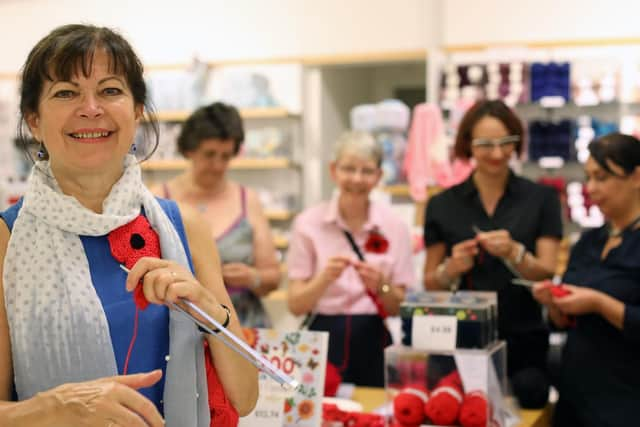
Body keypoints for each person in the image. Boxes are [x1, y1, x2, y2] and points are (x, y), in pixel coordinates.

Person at [0, 24, 258, 427]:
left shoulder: (184, 228)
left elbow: (245, 396)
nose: (91, 108)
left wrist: (206, 306)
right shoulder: (6, 240)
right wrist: (55, 408)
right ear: (34, 120)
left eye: (110, 90)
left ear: (138, 111)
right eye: (66, 92)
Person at [423, 100, 562, 408]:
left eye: (507, 143)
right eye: (486, 144)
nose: (498, 154)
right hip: (459, 339)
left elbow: (547, 271)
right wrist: (452, 269)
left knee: (529, 401)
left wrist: (516, 252)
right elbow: (431, 283)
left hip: (524, 340)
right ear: (467, 145)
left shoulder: (541, 199)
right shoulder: (442, 205)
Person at [287, 131, 415, 387]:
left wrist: (381, 285)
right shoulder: (308, 223)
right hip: (320, 336)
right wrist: (323, 279)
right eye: (348, 169)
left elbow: (401, 307)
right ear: (333, 171)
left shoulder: (395, 226)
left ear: (379, 176)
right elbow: (295, 305)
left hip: (373, 338)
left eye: (366, 171)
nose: (357, 179)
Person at [532, 133, 640, 427]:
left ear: (636, 177)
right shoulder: (589, 242)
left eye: (602, 177)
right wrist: (555, 302)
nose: (591, 188)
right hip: (575, 397)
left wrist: (598, 303)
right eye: (588, 177)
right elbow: (562, 322)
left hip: (626, 401)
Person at [153, 102, 280, 328]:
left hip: (243, 324)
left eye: (226, 156)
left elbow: (272, 276)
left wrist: (253, 278)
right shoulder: (158, 200)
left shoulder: (246, 200)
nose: (218, 165)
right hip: (179, 323)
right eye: (209, 154)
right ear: (189, 149)